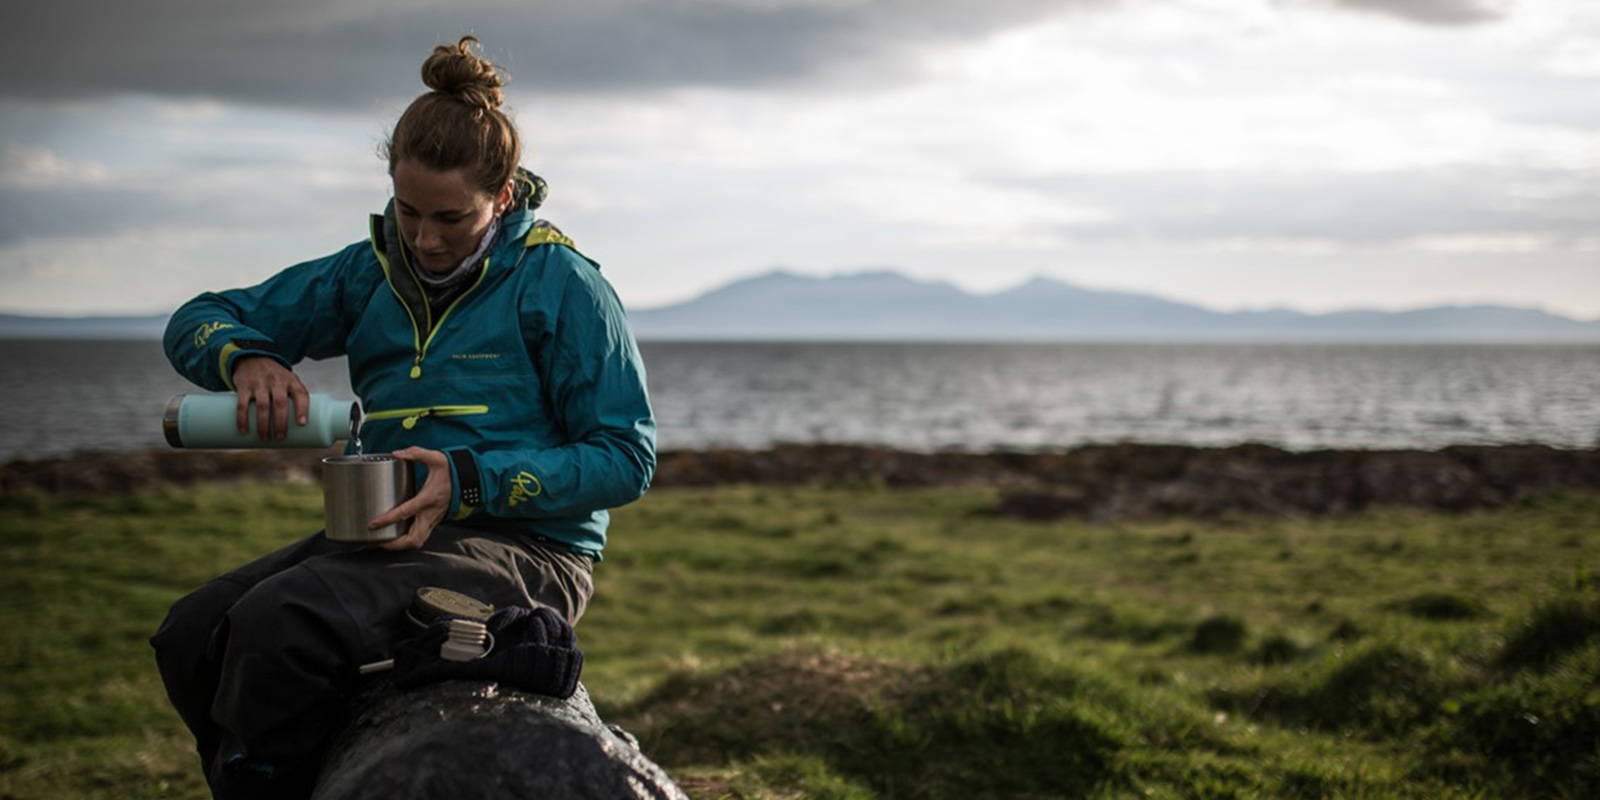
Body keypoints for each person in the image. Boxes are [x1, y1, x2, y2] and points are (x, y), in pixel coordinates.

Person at [149, 36, 655, 799]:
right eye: (408, 210)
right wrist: (247, 359)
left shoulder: (563, 284)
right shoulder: (367, 272)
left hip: (531, 550)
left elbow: (626, 456)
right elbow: (201, 316)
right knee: (190, 634)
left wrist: (470, 482)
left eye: (451, 217)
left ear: (504, 196)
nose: (424, 238)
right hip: (386, 534)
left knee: (281, 624)